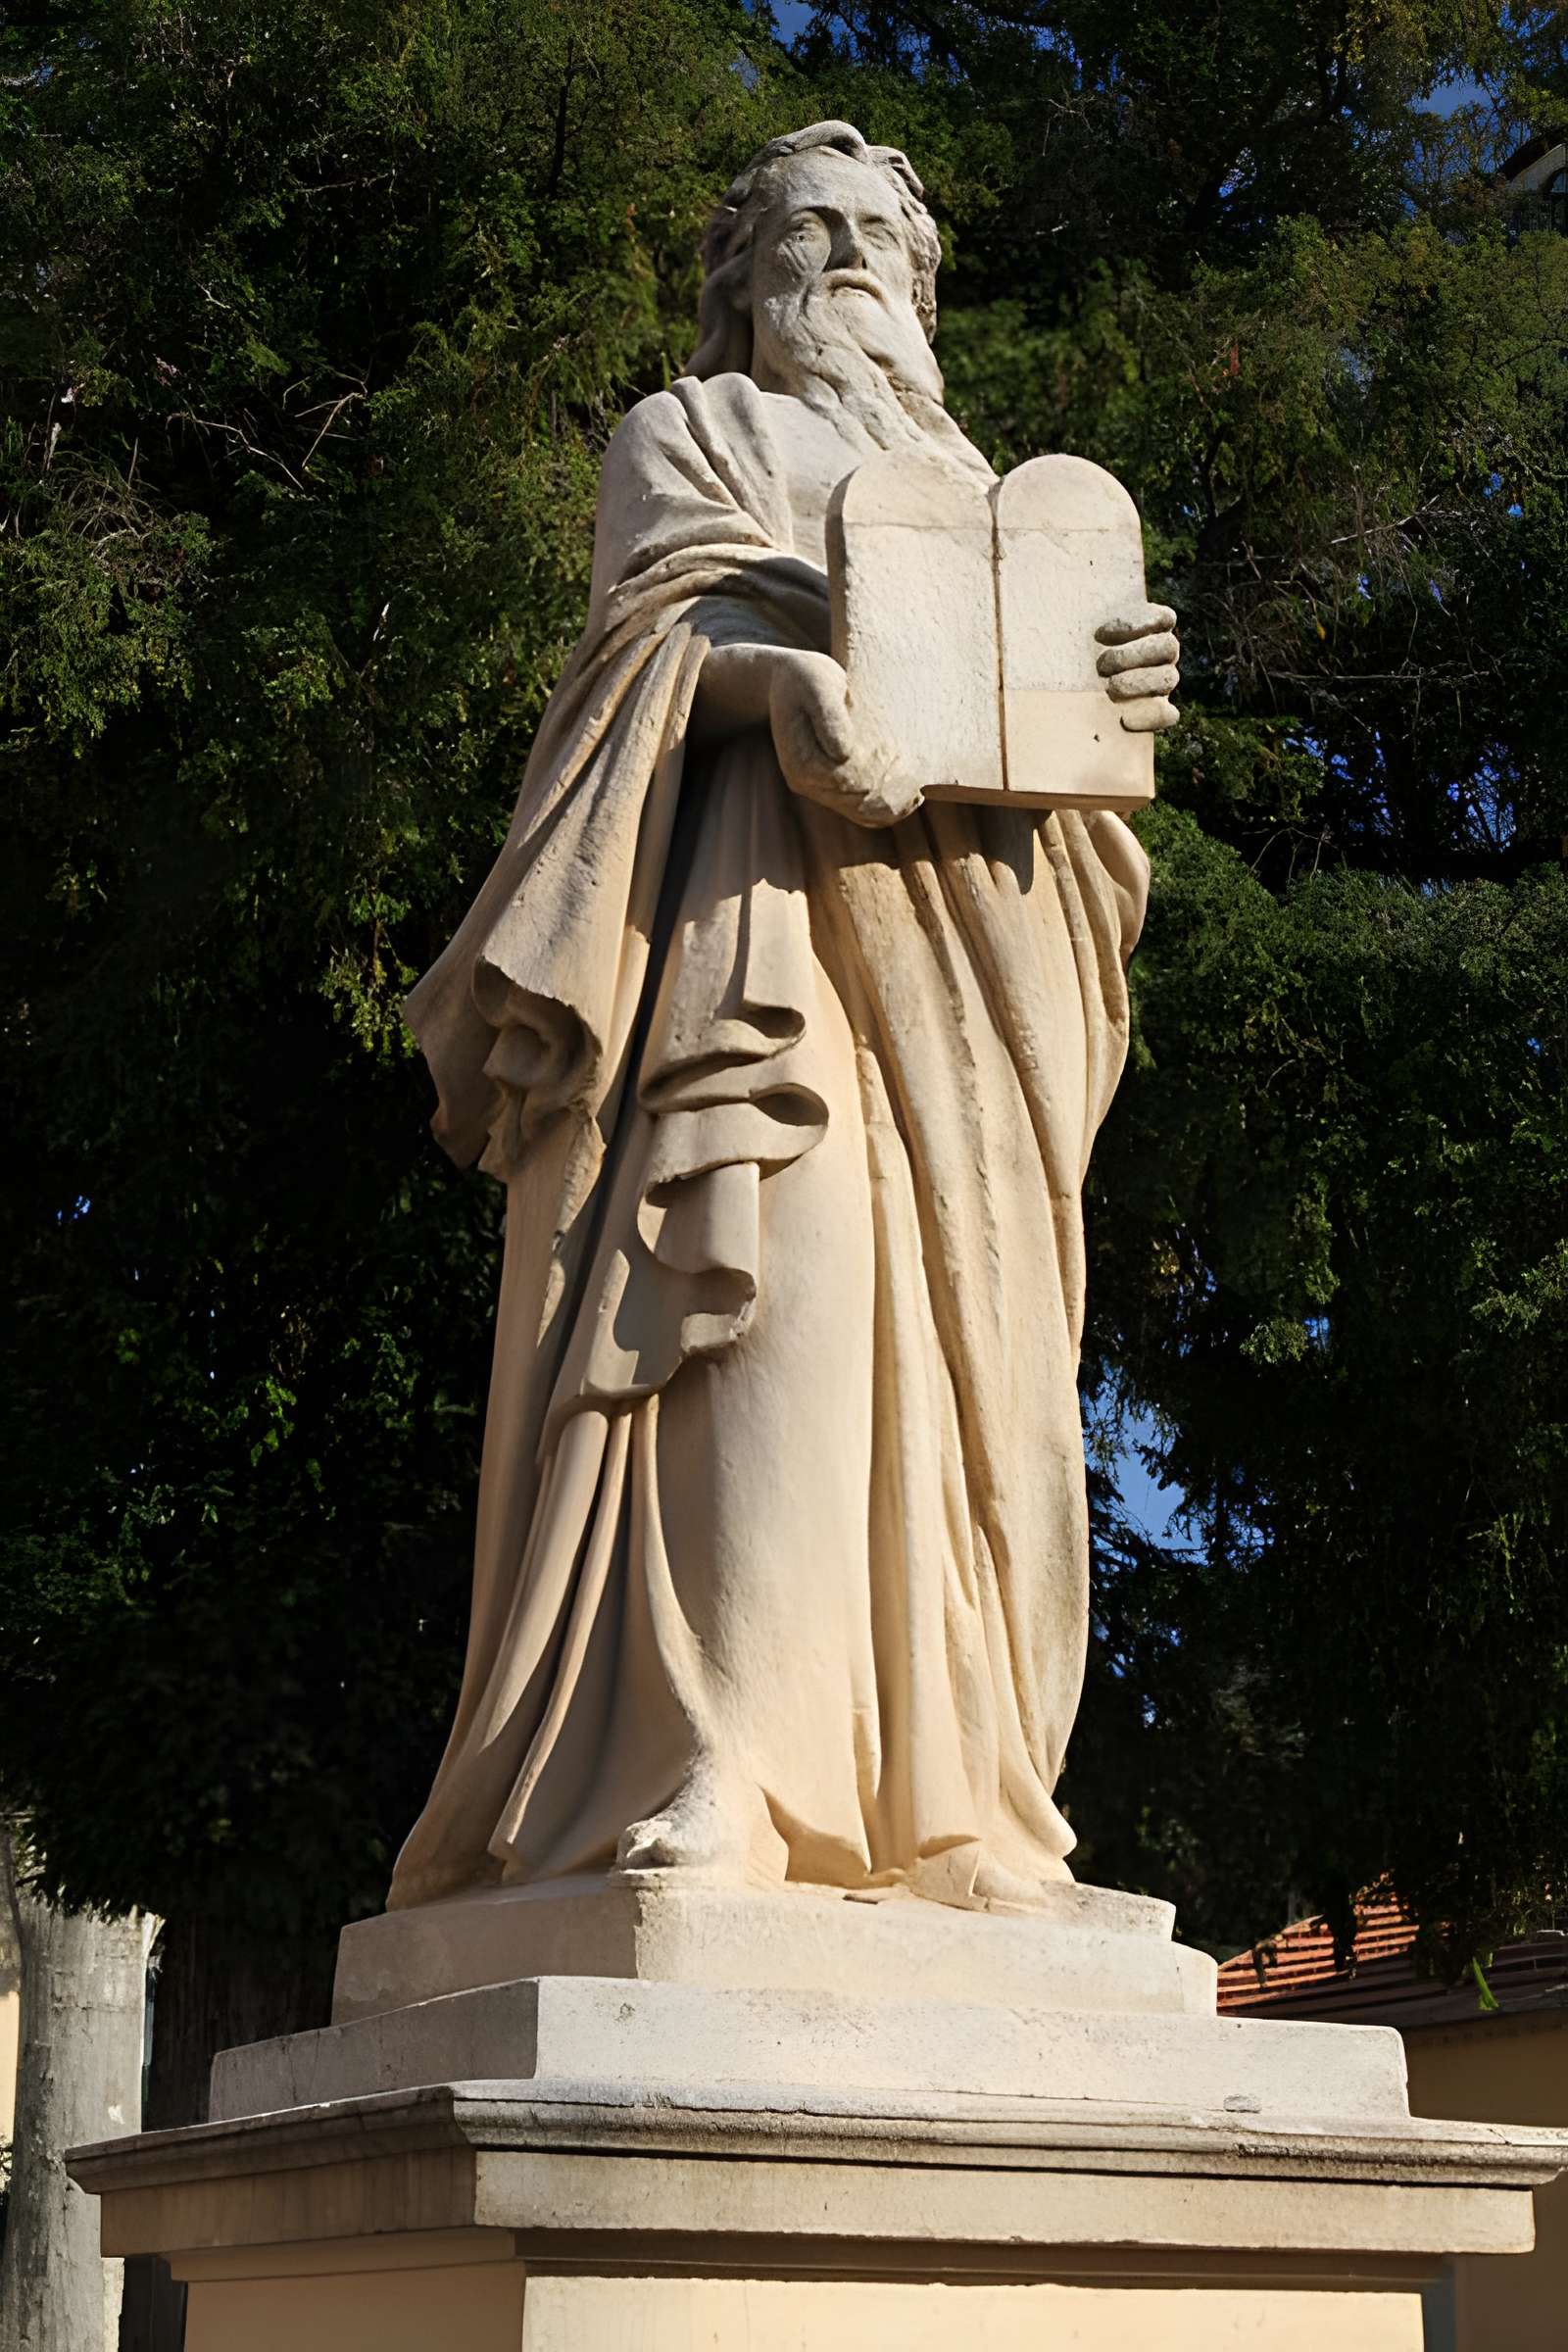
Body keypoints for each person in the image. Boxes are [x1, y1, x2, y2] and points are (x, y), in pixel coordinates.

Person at [387, 122, 1179, 1916]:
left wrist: (1114, 700)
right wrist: (772, 683)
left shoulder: (989, 497)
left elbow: (1075, 801)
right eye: (801, 235)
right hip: (760, 931)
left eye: (876, 239)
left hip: (977, 991)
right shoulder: (692, 437)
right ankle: (723, 1764)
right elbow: (636, 663)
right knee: (772, 1323)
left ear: (920, 286)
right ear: (739, 281)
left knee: (972, 1379)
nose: (841, 260)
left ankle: (957, 1805)